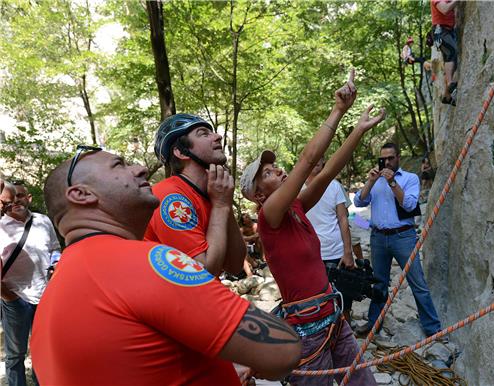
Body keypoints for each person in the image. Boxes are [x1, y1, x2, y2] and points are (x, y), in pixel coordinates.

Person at [31, 147, 301, 385]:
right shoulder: (143, 262)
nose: (140, 168)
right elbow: (283, 351)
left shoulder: (47, 307)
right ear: (81, 194)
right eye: (119, 165)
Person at [240, 69, 385, 386]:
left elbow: (325, 171)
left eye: (273, 165)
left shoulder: (293, 207)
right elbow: (307, 161)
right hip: (307, 332)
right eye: (267, 171)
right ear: (259, 195)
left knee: (364, 383)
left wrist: (357, 130)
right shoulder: (269, 217)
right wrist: (338, 111)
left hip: (333, 317)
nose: (277, 168)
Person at [353, 143, 443, 339]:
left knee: (417, 282)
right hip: (378, 237)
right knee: (379, 283)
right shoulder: (375, 180)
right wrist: (370, 181)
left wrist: (393, 182)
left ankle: (433, 329)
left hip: (403, 236)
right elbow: (358, 202)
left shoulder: (410, 178)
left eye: (390, 158)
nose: (386, 162)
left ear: (398, 157)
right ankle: (374, 324)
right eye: (383, 158)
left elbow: (409, 205)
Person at [144, 114, 246, 277]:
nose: (218, 136)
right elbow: (202, 273)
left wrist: (223, 203)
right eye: (203, 133)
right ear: (181, 152)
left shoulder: (213, 195)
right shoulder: (169, 197)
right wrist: (220, 206)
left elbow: (234, 266)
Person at [1, 181, 61, 386]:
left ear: (29, 199)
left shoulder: (43, 220)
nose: (16, 201)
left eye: (20, 196)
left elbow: (55, 248)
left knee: (41, 350)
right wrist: (9, 296)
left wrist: (55, 264)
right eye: (11, 198)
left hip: (45, 296)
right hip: (15, 299)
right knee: (15, 355)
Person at [304, 157, 356, 324]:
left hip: (336, 251)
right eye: (314, 155)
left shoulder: (334, 186)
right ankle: (325, 338)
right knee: (317, 301)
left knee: (344, 298)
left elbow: (343, 219)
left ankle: (348, 337)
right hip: (310, 255)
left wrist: (348, 252)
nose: (317, 159)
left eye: (321, 156)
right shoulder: (297, 188)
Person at [431, 0, 459, 105]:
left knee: (453, 63)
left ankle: (446, 95)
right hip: (440, 30)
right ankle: (450, 83)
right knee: (451, 52)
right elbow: (445, 9)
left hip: (447, 30)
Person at [239, 212, 264, 278]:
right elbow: (241, 238)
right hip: (248, 248)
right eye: (246, 217)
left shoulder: (256, 225)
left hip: (258, 247)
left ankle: (262, 258)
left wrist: (254, 237)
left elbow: (260, 235)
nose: (249, 217)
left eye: (248, 216)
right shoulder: (242, 229)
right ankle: (252, 265)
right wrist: (252, 237)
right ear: (244, 222)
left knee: (260, 239)